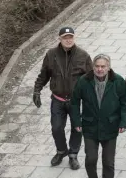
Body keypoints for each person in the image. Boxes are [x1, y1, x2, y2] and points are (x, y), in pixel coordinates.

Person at [70, 54, 126, 178]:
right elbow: (75, 102)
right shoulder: (84, 81)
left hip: (110, 127)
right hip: (90, 127)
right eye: (97, 66)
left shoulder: (118, 81)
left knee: (108, 163)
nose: (99, 69)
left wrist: (124, 122)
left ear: (108, 67)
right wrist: (77, 120)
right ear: (93, 67)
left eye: (103, 66)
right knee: (91, 159)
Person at [33, 26, 92, 170]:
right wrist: (37, 90)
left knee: (77, 128)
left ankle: (73, 154)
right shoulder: (51, 54)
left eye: (70, 37)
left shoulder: (83, 55)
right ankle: (61, 150)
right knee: (56, 127)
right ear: (60, 39)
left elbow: (91, 78)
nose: (68, 40)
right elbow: (44, 74)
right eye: (65, 38)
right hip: (57, 100)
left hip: (76, 101)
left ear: (74, 38)